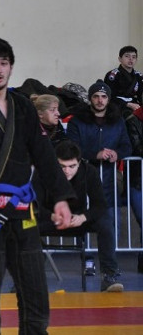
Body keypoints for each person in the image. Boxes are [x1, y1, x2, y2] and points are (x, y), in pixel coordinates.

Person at [0, 37, 74, 335]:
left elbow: (44, 155)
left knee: (35, 296)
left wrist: (61, 198)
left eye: (3, 63)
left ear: (11, 67)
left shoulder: (23, 107)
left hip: (22, 211)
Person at [66, 80, 141, 271]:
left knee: (111, 221)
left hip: (109, 179)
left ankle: (110, 264)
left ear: (109, 99)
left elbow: (126, 146)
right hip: (83, 178)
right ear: (90, 98)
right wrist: (95, 154)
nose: (100, 100)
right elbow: (71, 147)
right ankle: (88, 259)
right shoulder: (77, 121)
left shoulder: (118, 121)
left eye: (104, 96)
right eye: (96, 96)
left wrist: (117, 154)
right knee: (84, 219)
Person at [34, 141, 123, 292]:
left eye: (72, 166)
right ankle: (25, 279)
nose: (67, 171)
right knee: (24, 224)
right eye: (62, 166)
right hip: (51, 219)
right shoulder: (42, 172)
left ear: (79, 162)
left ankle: (109, 276)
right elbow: (35, 205)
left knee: (105, 222)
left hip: (78, 219)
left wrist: (83, 217)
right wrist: (52, 216)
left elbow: (100, 205)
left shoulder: (89, 171)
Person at [103, 45, 143, 112]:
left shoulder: (139, 76)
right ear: (120, 59)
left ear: (136, 60)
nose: (131, 59)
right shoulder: (112, 75)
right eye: (127, 56)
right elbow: (108, 96)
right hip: (117, 108)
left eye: (134, 57)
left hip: (136, 107)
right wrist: (127, 104)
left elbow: (140, 96)